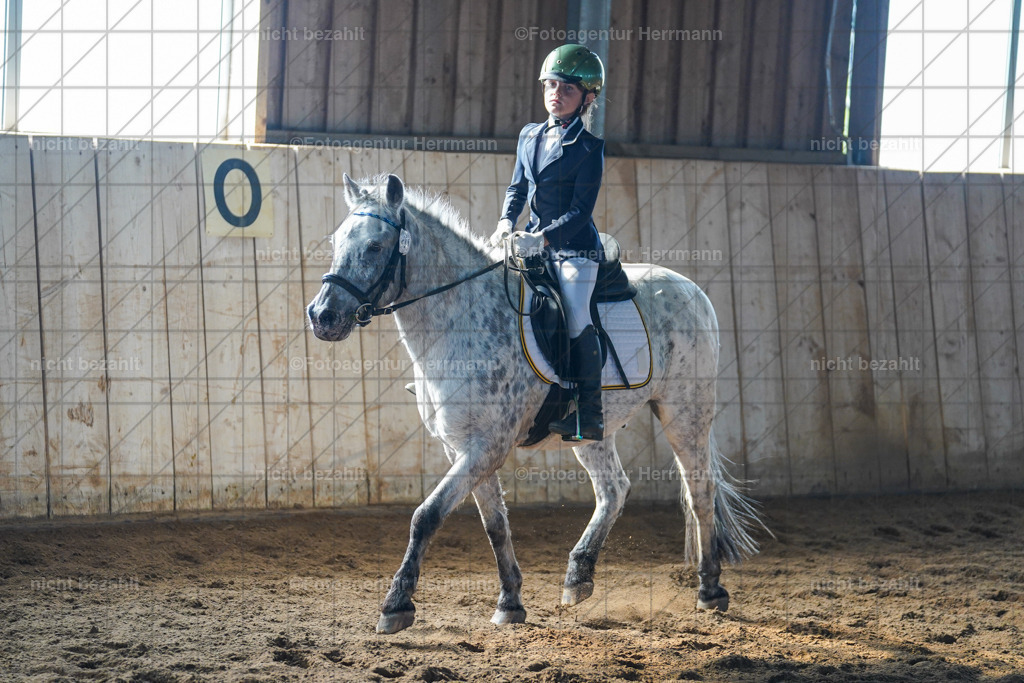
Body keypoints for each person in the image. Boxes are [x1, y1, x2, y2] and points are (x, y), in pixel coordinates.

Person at [490, 43, 606, 441]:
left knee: (576, 313)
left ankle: (589, 412)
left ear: (588, 97)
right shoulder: (528, 135)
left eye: (567, 88)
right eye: (550, 85)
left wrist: (541, 238)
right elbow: (517, 188)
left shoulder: (590, 149)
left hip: (575, 249)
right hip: (529, 242)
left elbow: (580, 213)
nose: (555, 94)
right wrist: (506, 222)